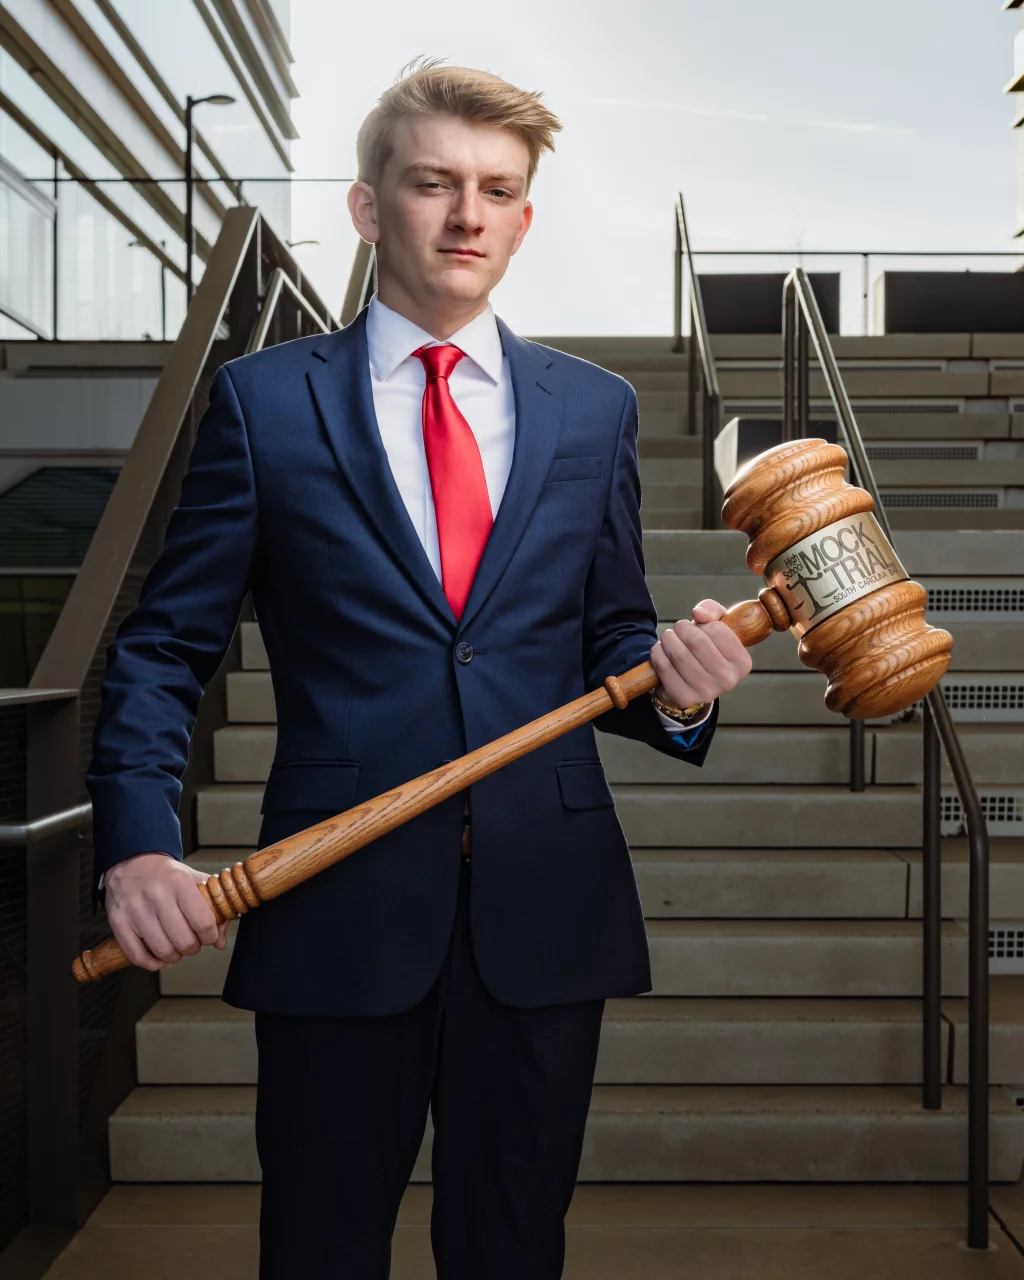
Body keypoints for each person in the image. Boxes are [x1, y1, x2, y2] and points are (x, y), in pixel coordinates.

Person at [87, 58, 753, 1280]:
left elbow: (610, 633)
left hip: (543, 904)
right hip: (338, 902)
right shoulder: (261, 403)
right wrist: (135, 840)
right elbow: (162, 646)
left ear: (524, 216)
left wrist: (680, 681)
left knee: (511, 1248)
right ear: (366, 204)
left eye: (497, 190)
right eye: (434, 182)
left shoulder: (591, 410)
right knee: (318, 1246)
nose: (466, 216)